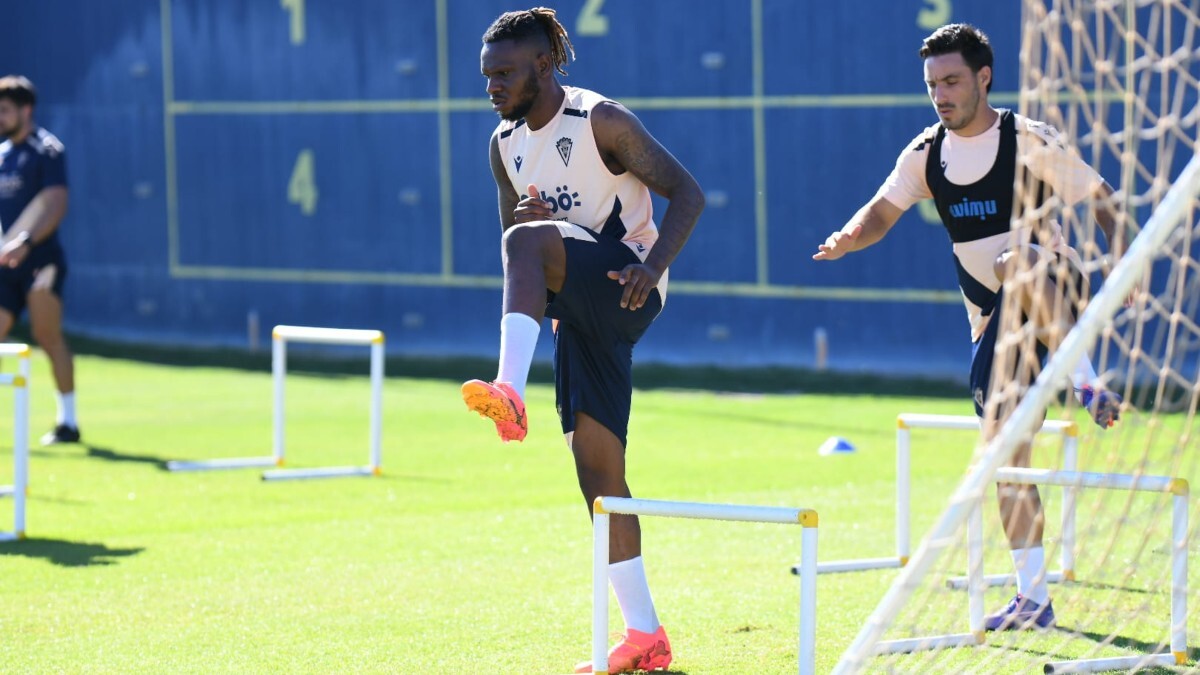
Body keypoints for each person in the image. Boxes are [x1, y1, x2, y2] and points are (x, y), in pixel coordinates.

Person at [814, 24, 1124, 631]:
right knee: (1006, 457)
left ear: (984, 77)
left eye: (952, 80)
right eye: (932, 85)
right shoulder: (926, 153)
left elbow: (1102, 197)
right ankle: (1033, 599)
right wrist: (850, 238)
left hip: (1055, 290)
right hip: (994, 324)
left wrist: (1123, 263)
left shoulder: (1028, 139)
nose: (941, 94)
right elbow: (881, 211)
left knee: (1019, 262)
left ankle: (1087, 382)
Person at [461, 7, 704, 672]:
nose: (492, 87)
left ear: (545, 65)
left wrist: (652, 268)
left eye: (505, 73)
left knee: (528, 241)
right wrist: (539, 232)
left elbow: (688, 193)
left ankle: (509, 387)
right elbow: (521, 243)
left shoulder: (603, 121)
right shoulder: (502, 144)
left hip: (630, 285)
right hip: (579, 306)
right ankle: (646, 635)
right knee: (599, 474)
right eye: (486, 76)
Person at [0, 75, 80, 446]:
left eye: (5, 111)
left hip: (40, 262)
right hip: (5, 266)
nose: (0, 118)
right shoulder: (2, 154)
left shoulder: (46, 149)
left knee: (47, 336)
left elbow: (56, 203)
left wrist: (26, 242)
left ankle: (69, 421)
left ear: (26, 110)